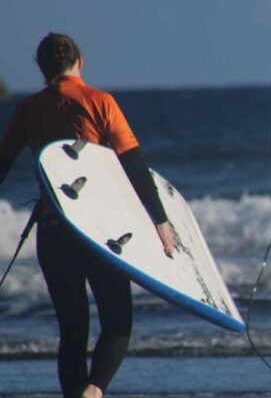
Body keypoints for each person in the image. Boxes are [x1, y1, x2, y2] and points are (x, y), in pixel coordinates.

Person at [0, 33, 176, 398]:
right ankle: (94, 390)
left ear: (42, 69)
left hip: (52, 228)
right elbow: (134, 165)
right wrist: (160, 221)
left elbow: (1, 165)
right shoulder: (101, 102)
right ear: (80, 61)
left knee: (72, 330)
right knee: (117, 324)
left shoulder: (27, 110)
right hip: (99, 230)